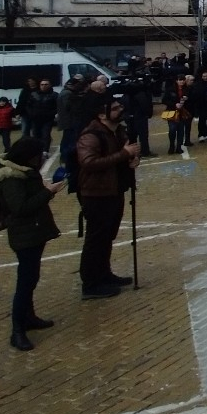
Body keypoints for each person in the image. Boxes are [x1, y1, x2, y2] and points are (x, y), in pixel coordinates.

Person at [0, 137, 63, 351]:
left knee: (31, 277)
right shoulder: (12, 179)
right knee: (25, 281)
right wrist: (48, 192)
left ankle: (29, 317)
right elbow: (21, 207)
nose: (41, 158)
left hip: (34, 231)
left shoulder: (24, 172)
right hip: (24, 234)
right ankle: (17, 330)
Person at [75, 97, 140, 299]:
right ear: (102, 114)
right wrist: (124, 154)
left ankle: (104, 274)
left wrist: (132, 159)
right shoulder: (91, 135)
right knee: (96, 239)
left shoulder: (117, 131)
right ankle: (91, 283)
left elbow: (124, 154)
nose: (120, 110)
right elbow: (89, 163)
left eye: (120, 106)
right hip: (96, 194)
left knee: (107, 237)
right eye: (115, 108)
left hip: (114, 190)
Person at [161, 75, 190, 155]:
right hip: (172, 112)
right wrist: (174, 104)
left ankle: (179, 147)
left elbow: (191, 100)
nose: (182, 82)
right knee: (172, 130)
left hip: (182, 112)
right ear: (176, 81)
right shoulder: (170, 89)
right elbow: (164, 100)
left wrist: (187, 100)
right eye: (180, 80)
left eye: (183, 80)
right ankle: (171, 145)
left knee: (181, 130)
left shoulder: (187, 89)